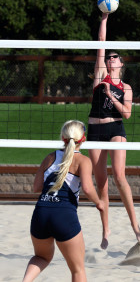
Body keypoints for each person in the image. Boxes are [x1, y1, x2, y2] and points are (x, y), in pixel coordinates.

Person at [87, 12, 140, 250]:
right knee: (101, 182)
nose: (111, 58)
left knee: (119, 176)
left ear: (121, 64)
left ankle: (135, 227)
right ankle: (106, 229)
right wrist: (104, 18)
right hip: (95, 130)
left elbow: (128, 114)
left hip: (115, 127)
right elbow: (102, 42)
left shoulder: (126, 87)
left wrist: (112, 95)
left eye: (115, 57)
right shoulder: (100, 75)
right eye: (109, 57)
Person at [22, 120, 104, 282]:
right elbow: (88, 188)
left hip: (41, 213)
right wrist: (99, 202)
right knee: (77, 269)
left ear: (62, 137)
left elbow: (36, 187)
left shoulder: (50, 157)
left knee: (41, 257)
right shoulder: (83, 161)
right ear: (84, 139)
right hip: (64, 215)